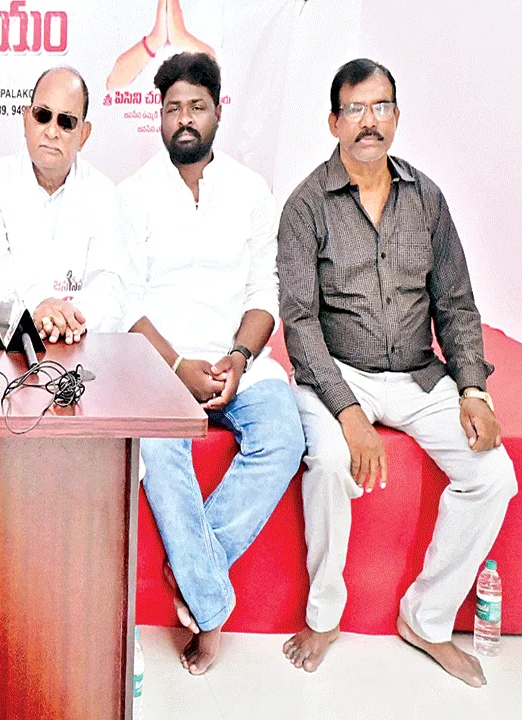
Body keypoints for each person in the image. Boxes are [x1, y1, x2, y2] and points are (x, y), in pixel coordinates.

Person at [278, 58, 516, 687]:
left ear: (397, 117)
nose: (369, 121)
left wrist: (473, 390)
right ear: (334, 122)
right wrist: (349, 414)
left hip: (417, 375)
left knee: (494, 475)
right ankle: (324, 617)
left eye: (380, 107)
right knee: (331, 461)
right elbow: (299, 324)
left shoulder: (427, 199)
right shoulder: (305, 205)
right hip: (337, 373)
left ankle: (426, 618)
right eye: (355, 109)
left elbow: (456, 303)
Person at [119, 52, 305, 674]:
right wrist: (177, 366)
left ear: (218, 112)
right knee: (158, 454)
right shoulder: (133, 196)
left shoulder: (252, 192)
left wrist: (238, 357)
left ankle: (194, 571)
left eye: (196, 106)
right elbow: (127, 301)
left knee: (284, 435)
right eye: (172, 108)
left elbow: (263, 293)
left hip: (239, 362)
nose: (184, 119)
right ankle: (212, 606)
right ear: (158, 116)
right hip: (160, 365)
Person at [0, 66, 136, 343]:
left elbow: (111, 286)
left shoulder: (104, 193)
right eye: (43, 116)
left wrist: (68, 320)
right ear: (26, 119)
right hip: (11, 351)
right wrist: (37, 308)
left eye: (66, 122)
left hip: (82, 346)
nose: (51, 131)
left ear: (83, 134)